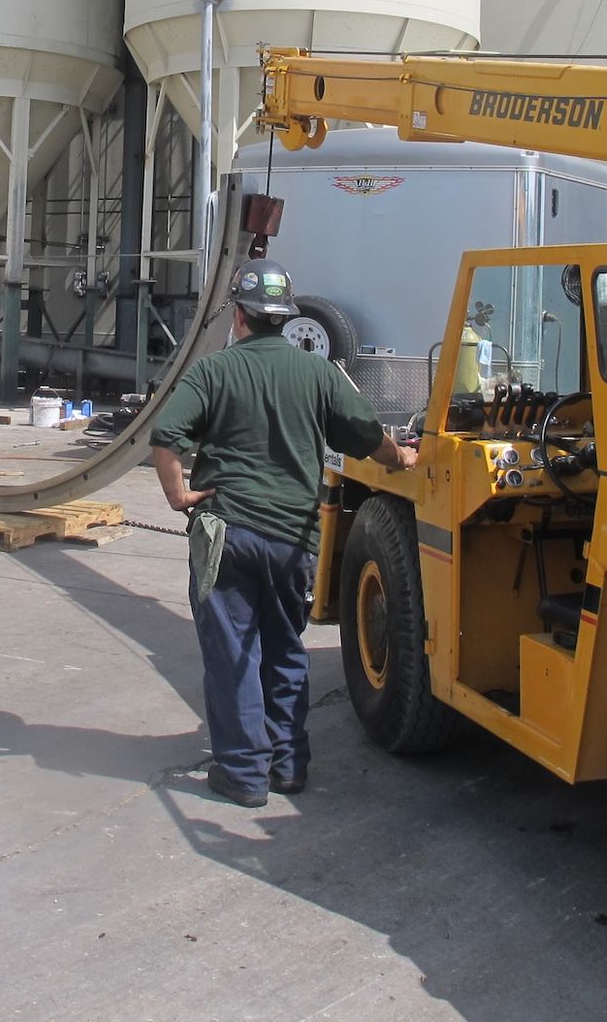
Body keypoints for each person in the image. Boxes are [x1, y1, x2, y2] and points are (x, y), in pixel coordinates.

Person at [150, 257, 419, 808]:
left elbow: (166, 435)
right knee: (284, 649)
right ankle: (289, 764)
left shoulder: (213, 370)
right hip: (293, 539)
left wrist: (178, 495)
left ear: (241, 316)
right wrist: (405, 456)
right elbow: (370, 440)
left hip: (227, 533)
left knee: (233, 655)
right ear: (284, 319)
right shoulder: (318, 373)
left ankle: (245, 774)